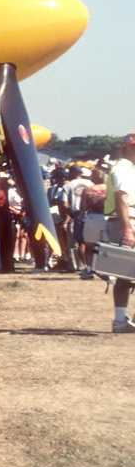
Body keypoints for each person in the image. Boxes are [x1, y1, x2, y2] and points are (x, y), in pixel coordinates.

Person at [106, 134, 135, 333]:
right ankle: (119, 322)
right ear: (127, 148)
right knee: (125, 275)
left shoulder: (127, 168)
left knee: (127, 274)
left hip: (126, 221)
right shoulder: (123, 168)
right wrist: (127, 229)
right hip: (126, 222)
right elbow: (122, 200)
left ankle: (122, 321)